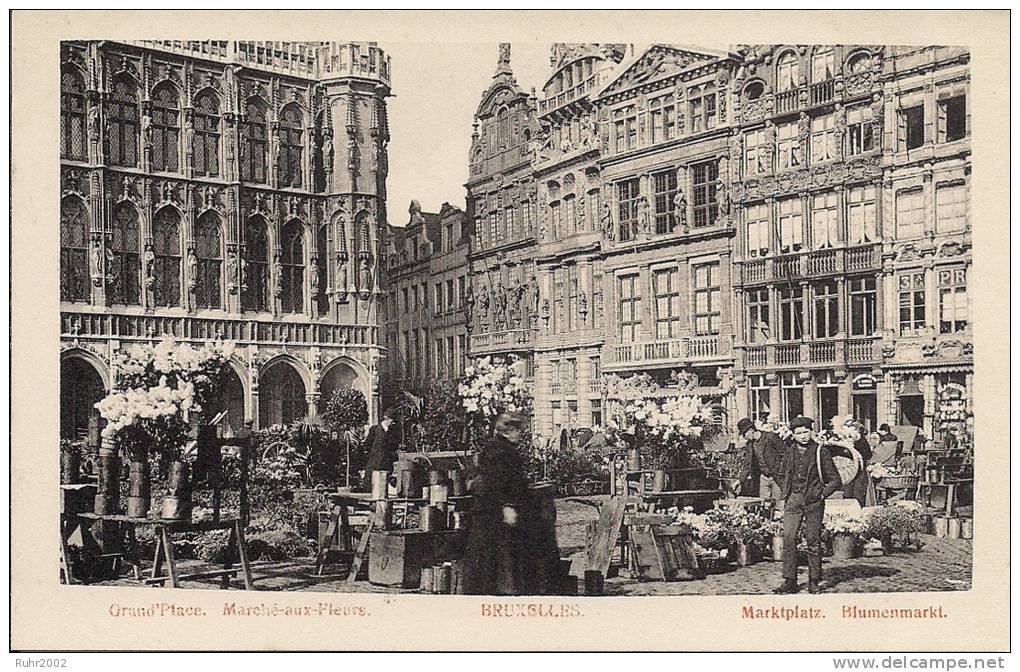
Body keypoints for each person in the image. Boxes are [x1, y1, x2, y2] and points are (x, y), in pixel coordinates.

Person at [463, 412, 532, 595]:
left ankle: (490, 589)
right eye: (517, 430)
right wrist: (507, 506)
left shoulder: (499, 447)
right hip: (493, 510)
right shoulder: (501, 452)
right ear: (507, 431)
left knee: (490, 554)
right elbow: (498, 481)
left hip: (490, 509)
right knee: (493, 554)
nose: (520, 434)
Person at [774, 416, 843, 595]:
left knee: (813, 541)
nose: (803, 436)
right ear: (793, 435)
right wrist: (787, 492)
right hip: (793, 500)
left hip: (813, 501)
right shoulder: (789, 452)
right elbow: (781, 474)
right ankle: (790, 581)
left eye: (805, 432)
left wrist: (821, 494)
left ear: (811, 432)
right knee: (789, 538)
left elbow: (835, 480)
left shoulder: (821, 452)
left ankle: (814, 580)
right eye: (798, 433)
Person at [736, 417, 786, 503]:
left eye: (744, 434)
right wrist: (740, 480)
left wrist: (781, 471)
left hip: (777, 476)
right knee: (764, 504)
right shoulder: (749, 445)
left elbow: (785, 455)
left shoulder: (771, 437)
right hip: (763, 477)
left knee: (779, 503)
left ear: (751, 430)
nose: (745, 437)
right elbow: (747, 465)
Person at [362, 408, 399, 490]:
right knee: (372, 486)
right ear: (387, 419)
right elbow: (367, 445)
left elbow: (393, 446)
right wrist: (373, 455)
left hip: (386, 463)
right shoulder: (374, 429)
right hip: (375, 463)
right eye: (392, 421)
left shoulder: (392, 431)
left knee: (384, 487)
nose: (393, 423)